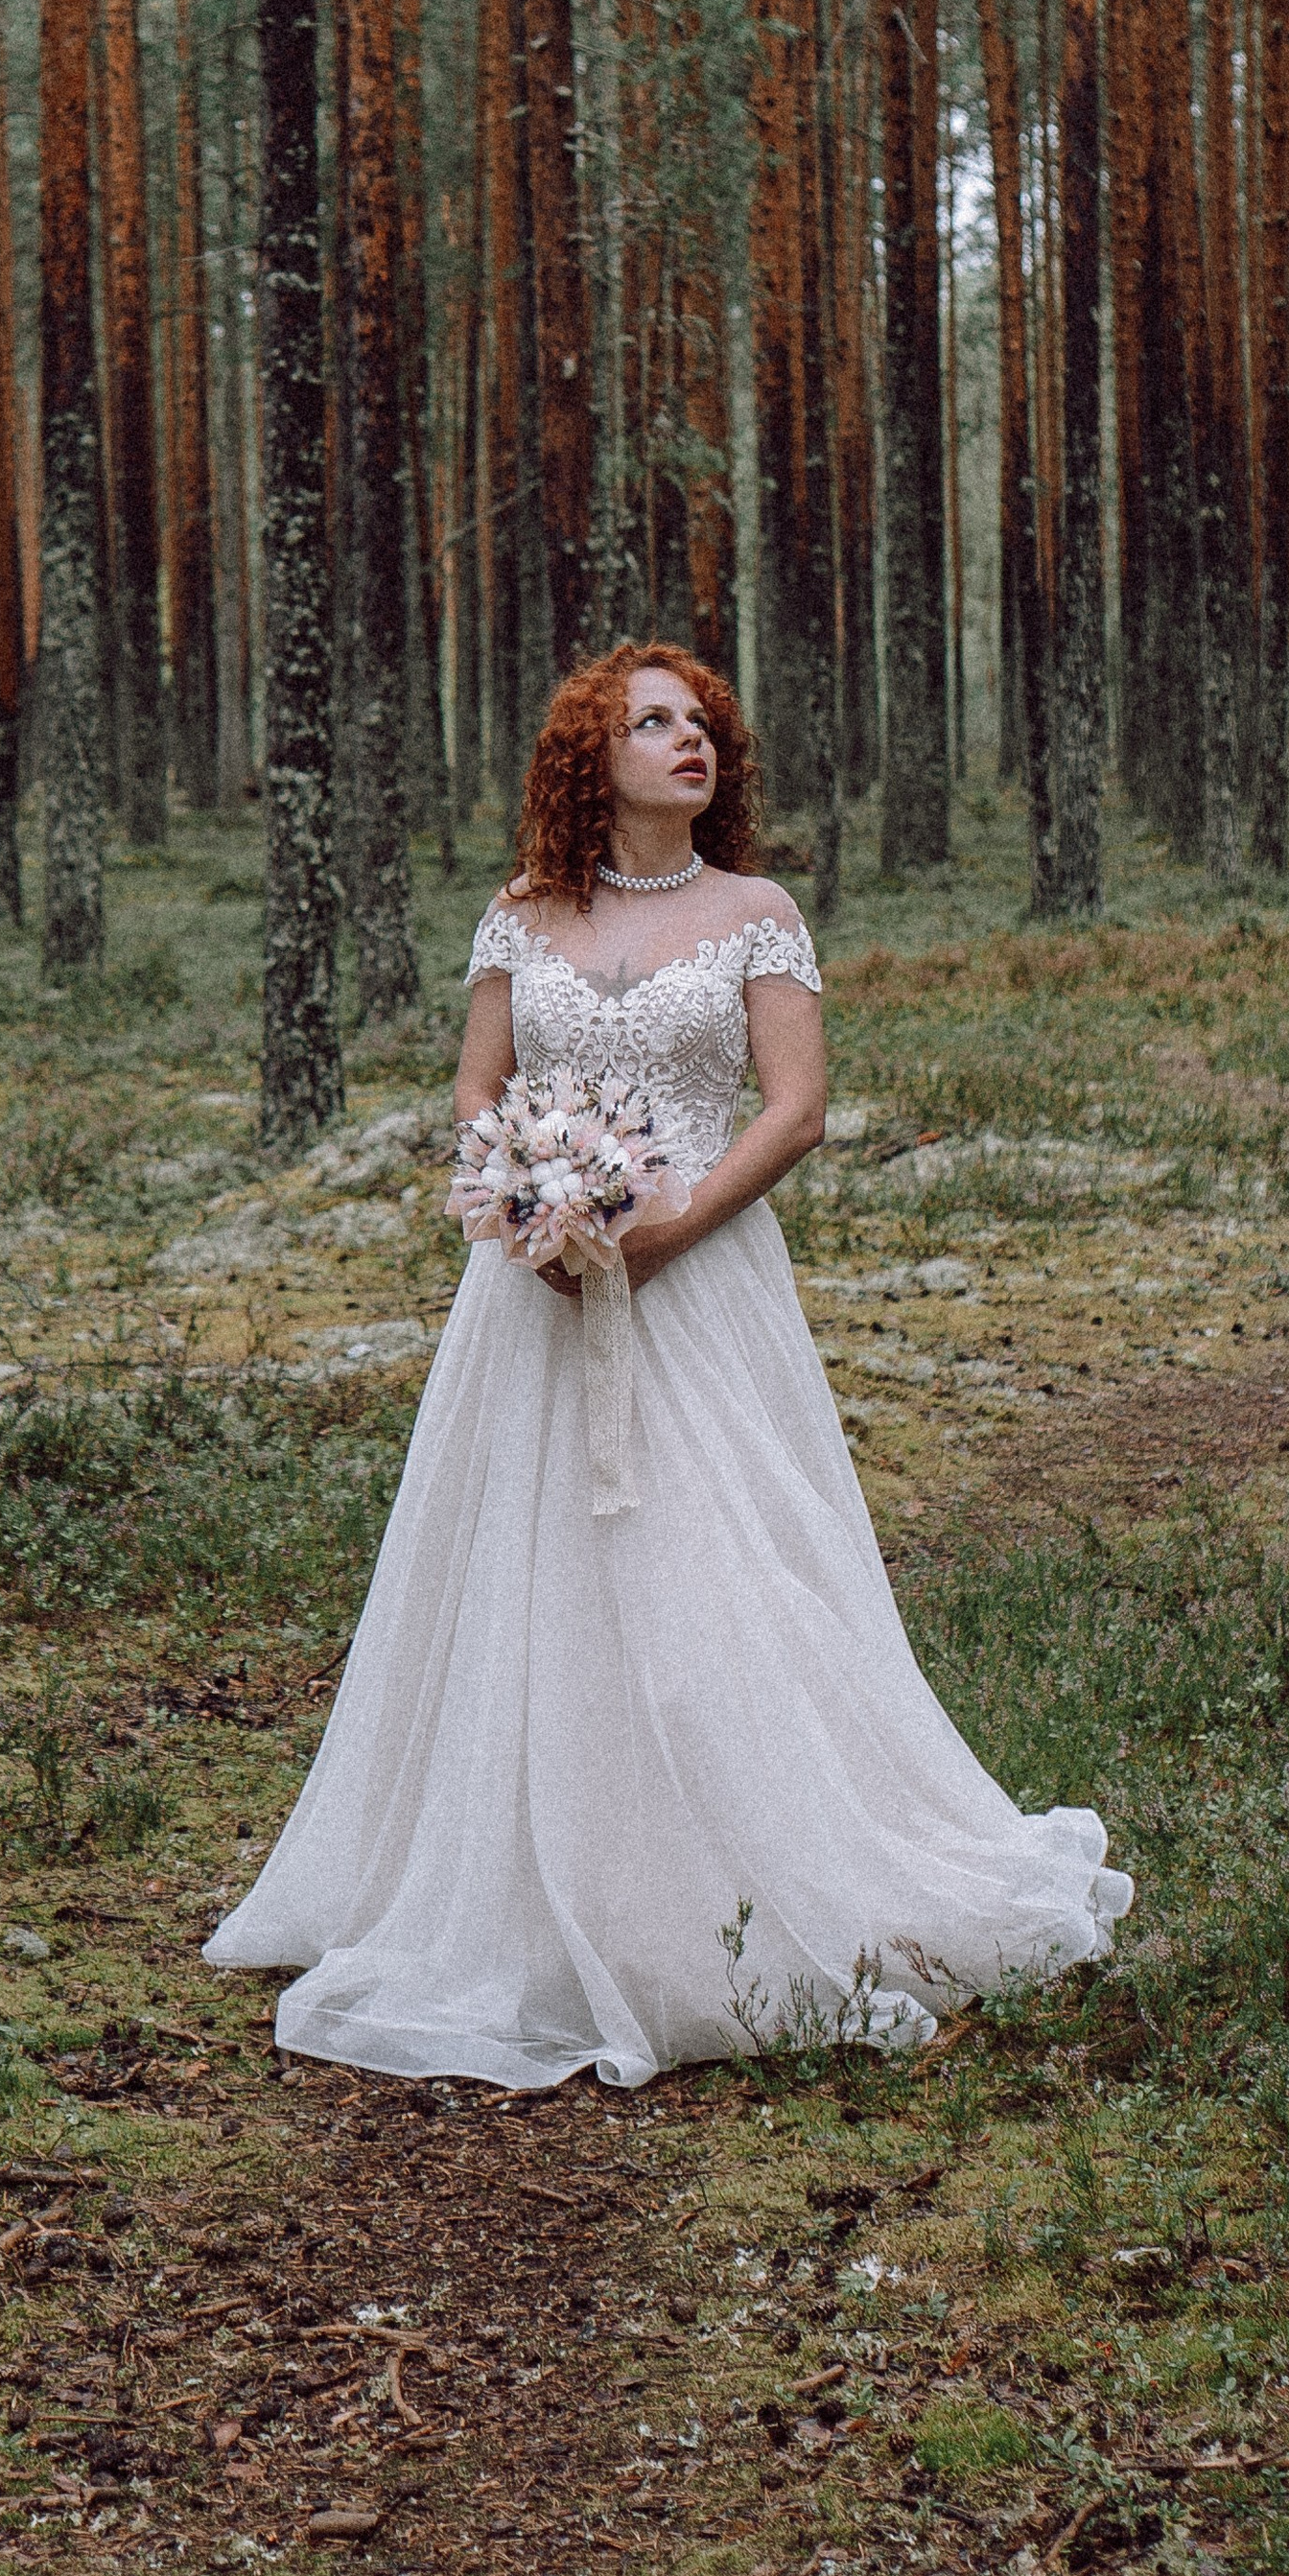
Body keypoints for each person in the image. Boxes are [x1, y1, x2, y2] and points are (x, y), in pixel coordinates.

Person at [205, 643, 1131, 2086]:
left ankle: (744, 1875)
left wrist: (671, 1219)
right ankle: (512, 1890)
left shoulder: (757, 914)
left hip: (701, 1283)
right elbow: (477, 1084)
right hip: (535, 1295)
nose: (685, 742)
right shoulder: (522, 915)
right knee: (525, 1567)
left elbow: (800, 1106)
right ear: (595, 756)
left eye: (700, 725)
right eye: (651, 724)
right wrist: (524, 1189)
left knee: (725, 1563)